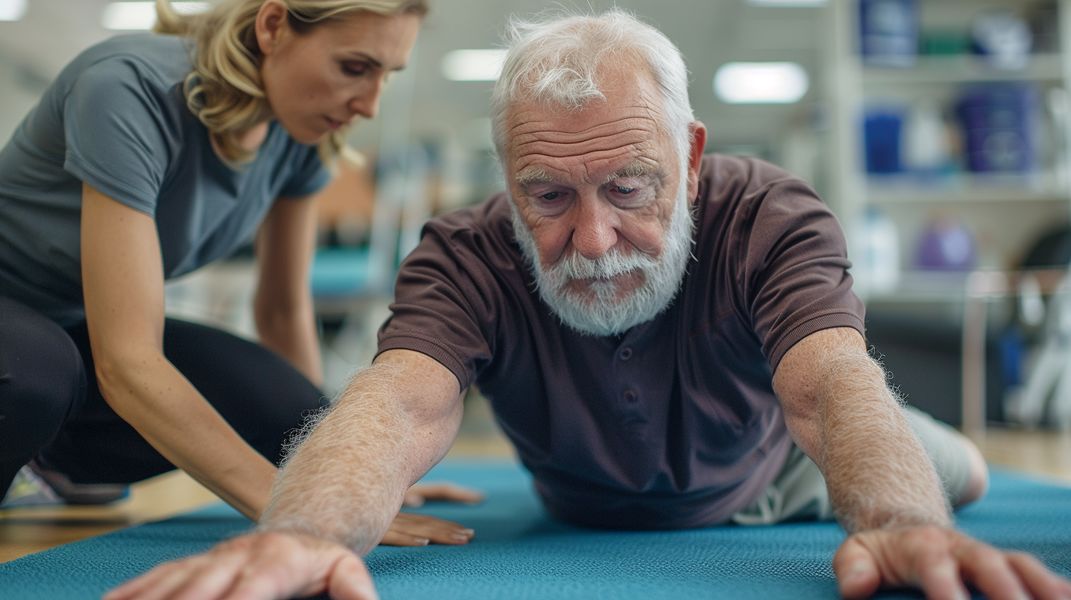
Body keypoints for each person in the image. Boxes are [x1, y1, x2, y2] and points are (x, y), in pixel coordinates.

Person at [107, 9, 1071, 600]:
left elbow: (823, 385)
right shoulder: (465, 251)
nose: (595, 241)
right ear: (507, 181)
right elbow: (401, 399)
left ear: (689, 161)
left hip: (783, 468)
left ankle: (908, 446)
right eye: (549, 196)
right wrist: (304, 535)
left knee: (955, 478)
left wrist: (902, 519)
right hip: (588, 503)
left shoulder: (767, 213)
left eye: (629, 187)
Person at [0, 0, 482, 546]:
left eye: (386, 75)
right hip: (23, 343)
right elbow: (127, 363)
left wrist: (344, 473)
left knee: (288, 412)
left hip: (68, 327)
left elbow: (281, 309)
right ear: (274, 26)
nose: (370, 105)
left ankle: (45, 466)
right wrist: (293, 502)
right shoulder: (127, 88)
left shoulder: (298, 130)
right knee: (36, 373)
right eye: (354, 67)